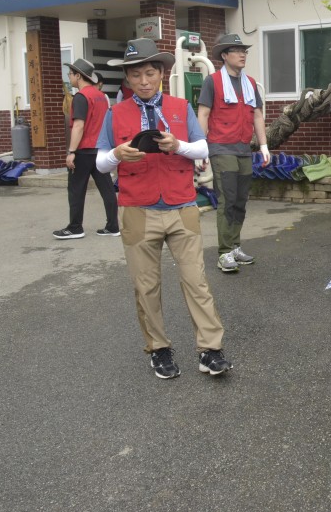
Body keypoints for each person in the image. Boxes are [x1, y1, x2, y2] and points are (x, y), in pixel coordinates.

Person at [96, 38, 231, 381]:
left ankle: (210, 350)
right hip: (137, 209)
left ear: (161, 74)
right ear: (127, 78)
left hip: (182, 205)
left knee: (196, 280)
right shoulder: (116, 113)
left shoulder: (180, 107)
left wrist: (178, 145)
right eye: (136, 75)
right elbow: (99, 162)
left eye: (150, 73)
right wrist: (117, 156)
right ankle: (159, 349)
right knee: (146, 286)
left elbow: (202, 149)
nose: (143, 81)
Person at [197, 33, 270, 274]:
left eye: (245, 51)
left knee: (240, 200)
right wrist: (200, 149)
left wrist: (263, 145)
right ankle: (224, 252)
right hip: (221, 147)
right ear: (224, 56)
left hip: (243, 149)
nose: (242, 54)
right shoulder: (213, 81)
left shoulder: (249, 81)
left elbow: (257, 115)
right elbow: (204, 114)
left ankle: (235, 245)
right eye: (237, 51)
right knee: (227, 199)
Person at [52, 58, 119, 240]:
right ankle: (113, 226)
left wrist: (71, 151)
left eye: (70, 74)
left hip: (83, 151)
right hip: (100, 150)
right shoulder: (101, 96)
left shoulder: (81, 97)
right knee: (107, 189)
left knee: (76, 190)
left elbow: (79, 126)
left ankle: (75, 227)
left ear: (78, 76)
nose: (69, 77)